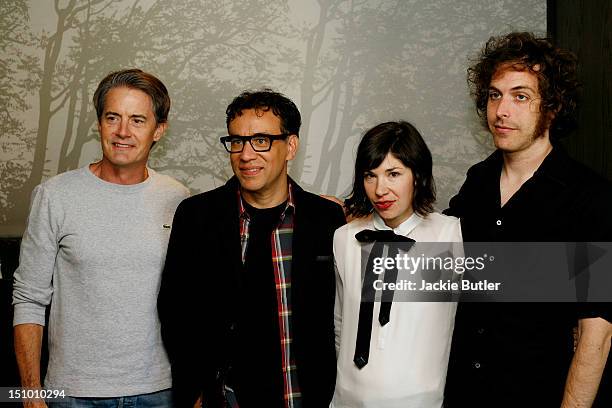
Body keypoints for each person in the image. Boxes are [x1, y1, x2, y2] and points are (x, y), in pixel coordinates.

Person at [443, 32, 612, 407]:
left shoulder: (590, 198)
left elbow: (595, 333)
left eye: (520, 96)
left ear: (552, 107)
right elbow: (432, 248)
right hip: (463, 394)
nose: (501, 110)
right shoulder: (478, 181)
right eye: (494, 94)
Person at [12, 68, 190, 407]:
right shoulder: (54, 196)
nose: (123, 131)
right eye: (113, 117)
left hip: (160, 391)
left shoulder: (177, 197)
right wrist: (30, 394)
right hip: (72, 394)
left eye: (138, 120)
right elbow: (29, 298)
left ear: (159, 130)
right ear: (99, 123)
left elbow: (192, 300)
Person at [157, 89, 346, 408]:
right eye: (237, 141)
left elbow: (342, 315)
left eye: (261, 140)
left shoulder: (327, 220)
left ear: (291, 146)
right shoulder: (197, 217)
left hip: (304, 398)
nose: (245, 154)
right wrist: (195, 389)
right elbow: (176, 311)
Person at [331, 121, 462, 407]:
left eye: (393, 174)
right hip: (347, 400)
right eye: (370, 175)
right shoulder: (344, 238)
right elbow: (341, 324)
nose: (380, 189)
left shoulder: (449, 234)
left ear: (417, 175)